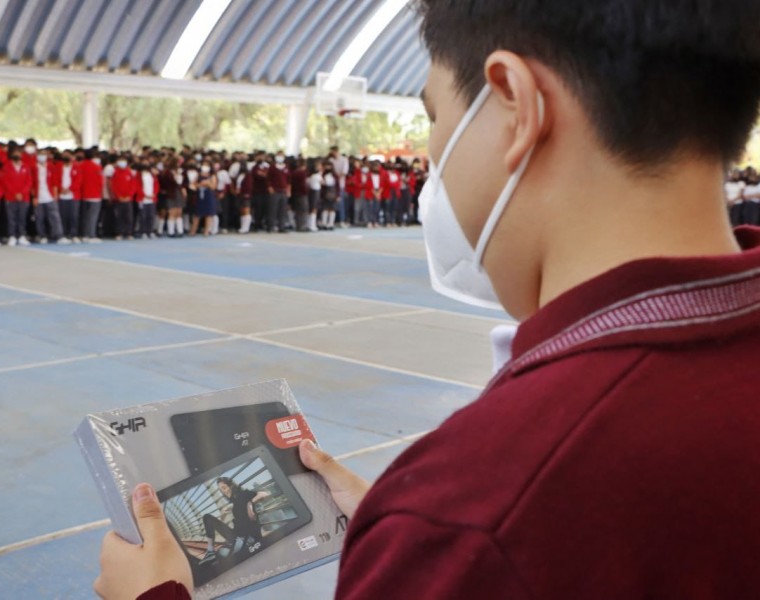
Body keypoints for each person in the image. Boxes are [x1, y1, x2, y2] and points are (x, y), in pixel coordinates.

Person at [97, 1, 760, 598]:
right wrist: (398, 527)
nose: (433, 159)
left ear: (513, 102)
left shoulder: (489, 510)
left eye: (435, 117)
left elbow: (507, 521)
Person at [198, 477, 271, 563]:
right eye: (221, 490)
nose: (223, 492)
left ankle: (218, 551)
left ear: (231, 486)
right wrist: (226, 512)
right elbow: (237, 509)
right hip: (236, 536)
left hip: (248, 538)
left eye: (224, 488)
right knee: (208, 518)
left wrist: (250, 503)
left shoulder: (244, 494)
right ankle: (210, 551)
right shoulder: (234, 502)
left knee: (223, 556)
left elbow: (265, 494)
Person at [32, 149, 70, 245]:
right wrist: (34, 197)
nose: (42, 156)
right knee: (40, 218)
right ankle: (42, 236)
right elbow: (31, 183)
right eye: (40, 154)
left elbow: (55, 182)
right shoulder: (33, 167)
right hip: (38, 196)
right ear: (37, 156)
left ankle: (59, 236)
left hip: (49, 196)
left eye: (44, 154)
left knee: (54, 217)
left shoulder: (51, 166)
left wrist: (55, 194)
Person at [1, 149, 32, 246]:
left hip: (24, 197)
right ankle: (12, 236)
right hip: (11, 197)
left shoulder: (26, 167)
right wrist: (15, 193)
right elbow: (5, 182)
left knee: (22, 217)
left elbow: (29, 182)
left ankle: (22, 235)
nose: (17, 155)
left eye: (19, 153)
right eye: (15, 154)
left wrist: (22, 193)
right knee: (12, 218)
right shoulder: (7, 167)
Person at [80, 149, 104, 243]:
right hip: (94, 195)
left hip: (83, 194)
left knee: (85, 216)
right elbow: (100, 182)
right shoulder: (97, 167)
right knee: (93, 216)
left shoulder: (80, 166)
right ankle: (91, 235)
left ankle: (85, 234)